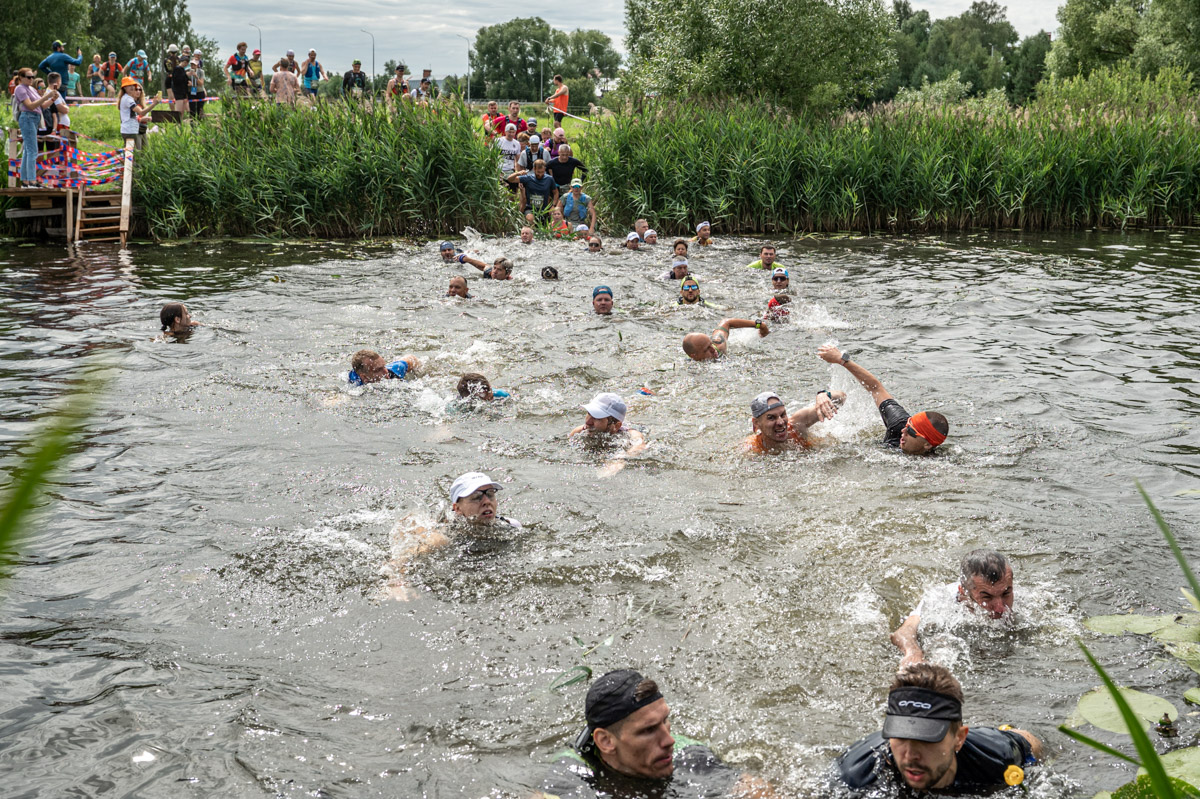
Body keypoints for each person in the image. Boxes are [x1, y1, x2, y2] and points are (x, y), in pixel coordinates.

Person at [538, 669, 775, 798]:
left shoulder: (687, 755)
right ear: (606, 741)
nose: (668, 740)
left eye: (665, 721)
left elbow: (758, 791)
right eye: (649, 730)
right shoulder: (574, 769)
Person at [832, 663, 1040, 794]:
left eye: (926, 739)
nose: (910, 755)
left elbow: (1030, 740)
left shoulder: (994, 757)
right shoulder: (855, 778)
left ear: (959, 738)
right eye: (900, 737)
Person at [383, 471, 521, 600]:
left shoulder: (511, 526)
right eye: (476, 497)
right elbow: (398, 561)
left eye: (490, 494)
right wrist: (396, 584)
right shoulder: (443, 537)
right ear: (457, 508)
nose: (486, 501)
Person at [891, 550, 1016, 668]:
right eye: (987, 597)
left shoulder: (1019, 597)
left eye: (1006, 594)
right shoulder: (940, 601)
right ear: (963, 593)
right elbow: (903, 632)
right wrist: (913, 653)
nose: (1000, 608)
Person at [817, 345, 949, 454]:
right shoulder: (899, 424)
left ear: (927, 445)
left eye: (910, 431)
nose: (903, 431)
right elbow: (876, 388)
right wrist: (842, 360)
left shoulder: (937, 466)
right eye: (908, 425)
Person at [744, 390, 845, 454]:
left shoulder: (797, 424)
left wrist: (823, 395)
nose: (780, 422)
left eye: (783, 415)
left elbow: (841, 397)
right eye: (771, 418)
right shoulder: (752, 448)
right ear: (756, 423)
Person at [569, 393, 647, 463]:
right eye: (589, 413)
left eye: (597, 418)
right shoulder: (581, 430)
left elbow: (638, 447)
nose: (588, 422)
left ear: (616, 426)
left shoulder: (631, 434)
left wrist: (619, 461)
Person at [12, 69, 57, 187]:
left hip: (34, 119)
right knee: (33, 150)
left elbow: (42, 106)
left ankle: (25, 181)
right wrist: (47, 95)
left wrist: (52, 99)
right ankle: (32, 180)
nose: (31, 79)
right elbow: (31, 106)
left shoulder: (31, 89)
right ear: (21, 77)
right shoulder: (20, 88)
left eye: (32, 77)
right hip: (27, 117)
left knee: (28, 150)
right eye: (28, 77)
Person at [682, 319, 768, 361]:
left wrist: (760, 325)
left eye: (710, 344)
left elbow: (727, 322)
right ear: (693, 356)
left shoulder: (718, 345)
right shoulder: (690, 368)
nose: (713, 349)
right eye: (706, 350)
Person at [507, 159, 559, 225]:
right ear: (534, 169)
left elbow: (556, 193)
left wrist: (553, 205)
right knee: (530, 219)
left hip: (544, 209)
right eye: (538, 172)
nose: (540, 174)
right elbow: (510, 179)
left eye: (542, 172)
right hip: (530, 209)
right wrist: (518, 173)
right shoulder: (528, 178)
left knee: (554, 216)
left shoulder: (549, 179)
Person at [118, 76, 157, 150]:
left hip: (131, 130)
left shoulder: (128, 98)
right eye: (129, 85)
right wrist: (154, 104)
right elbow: (141, 112)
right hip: (130, 130)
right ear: (124, 88)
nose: (132, 87)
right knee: (135, 156)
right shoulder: (127, 99)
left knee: (132, 155)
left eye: (133, 85)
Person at [347, 350, 420, 386]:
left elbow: (412, 359)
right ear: (364, 377)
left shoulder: (394, 371)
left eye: (383, 366)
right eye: (378, 370)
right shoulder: (355, 382)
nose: (385, 372)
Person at [169, 50, 189, 114]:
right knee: (179, 110)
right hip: (178, 92)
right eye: (185, 62)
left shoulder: (182, 69)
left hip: (183, 92)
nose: (186, 64)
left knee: (182, 111)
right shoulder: (177, 69)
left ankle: (181, 123)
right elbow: (177, 80)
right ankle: (177, 123)